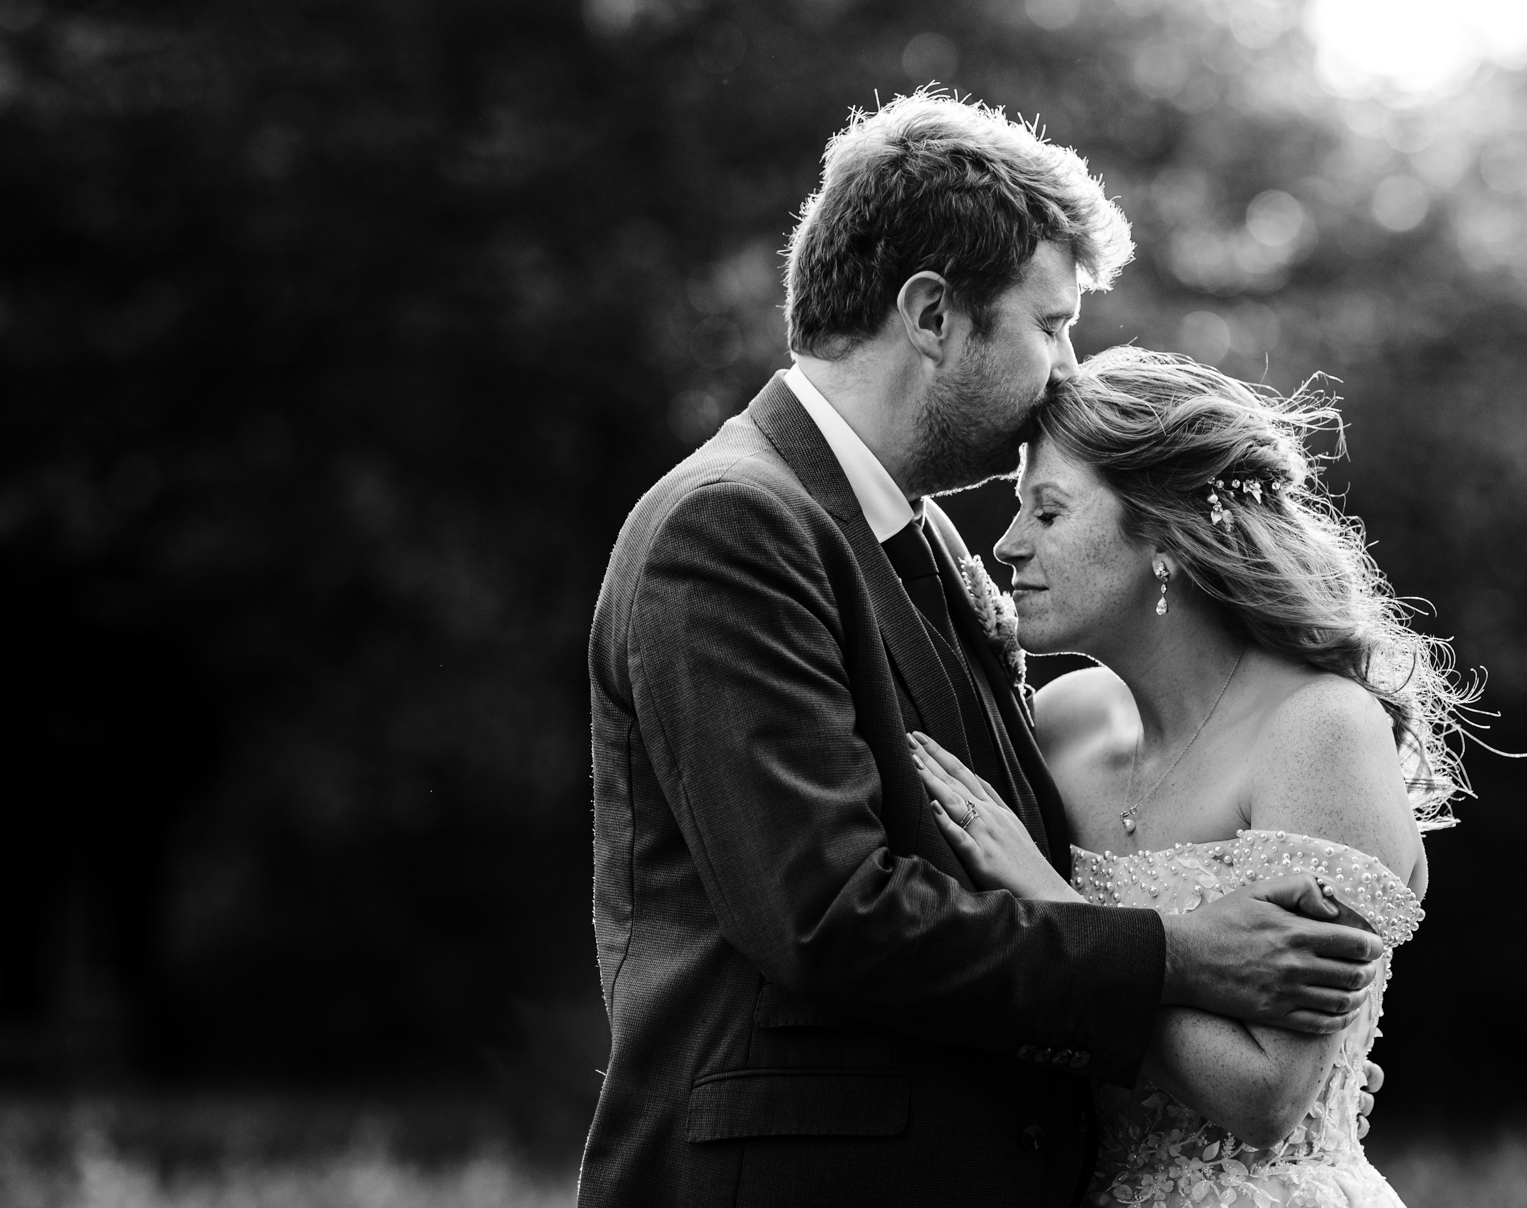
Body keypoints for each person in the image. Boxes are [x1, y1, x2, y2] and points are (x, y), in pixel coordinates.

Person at [578, 93, 1387, 1208]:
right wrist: (1176, 952)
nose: (1067, 369)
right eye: (1051, 324)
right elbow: (829, 915)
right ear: (931, 314)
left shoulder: (925, 538)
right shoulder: (730, 523)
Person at [911, 346, 1473, 1208]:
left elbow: (1266, 1095)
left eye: (1048, 511)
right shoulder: (1062, 721)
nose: (1008, 542)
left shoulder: (1318, 728)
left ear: (1166, 534)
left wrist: (1050, 902)